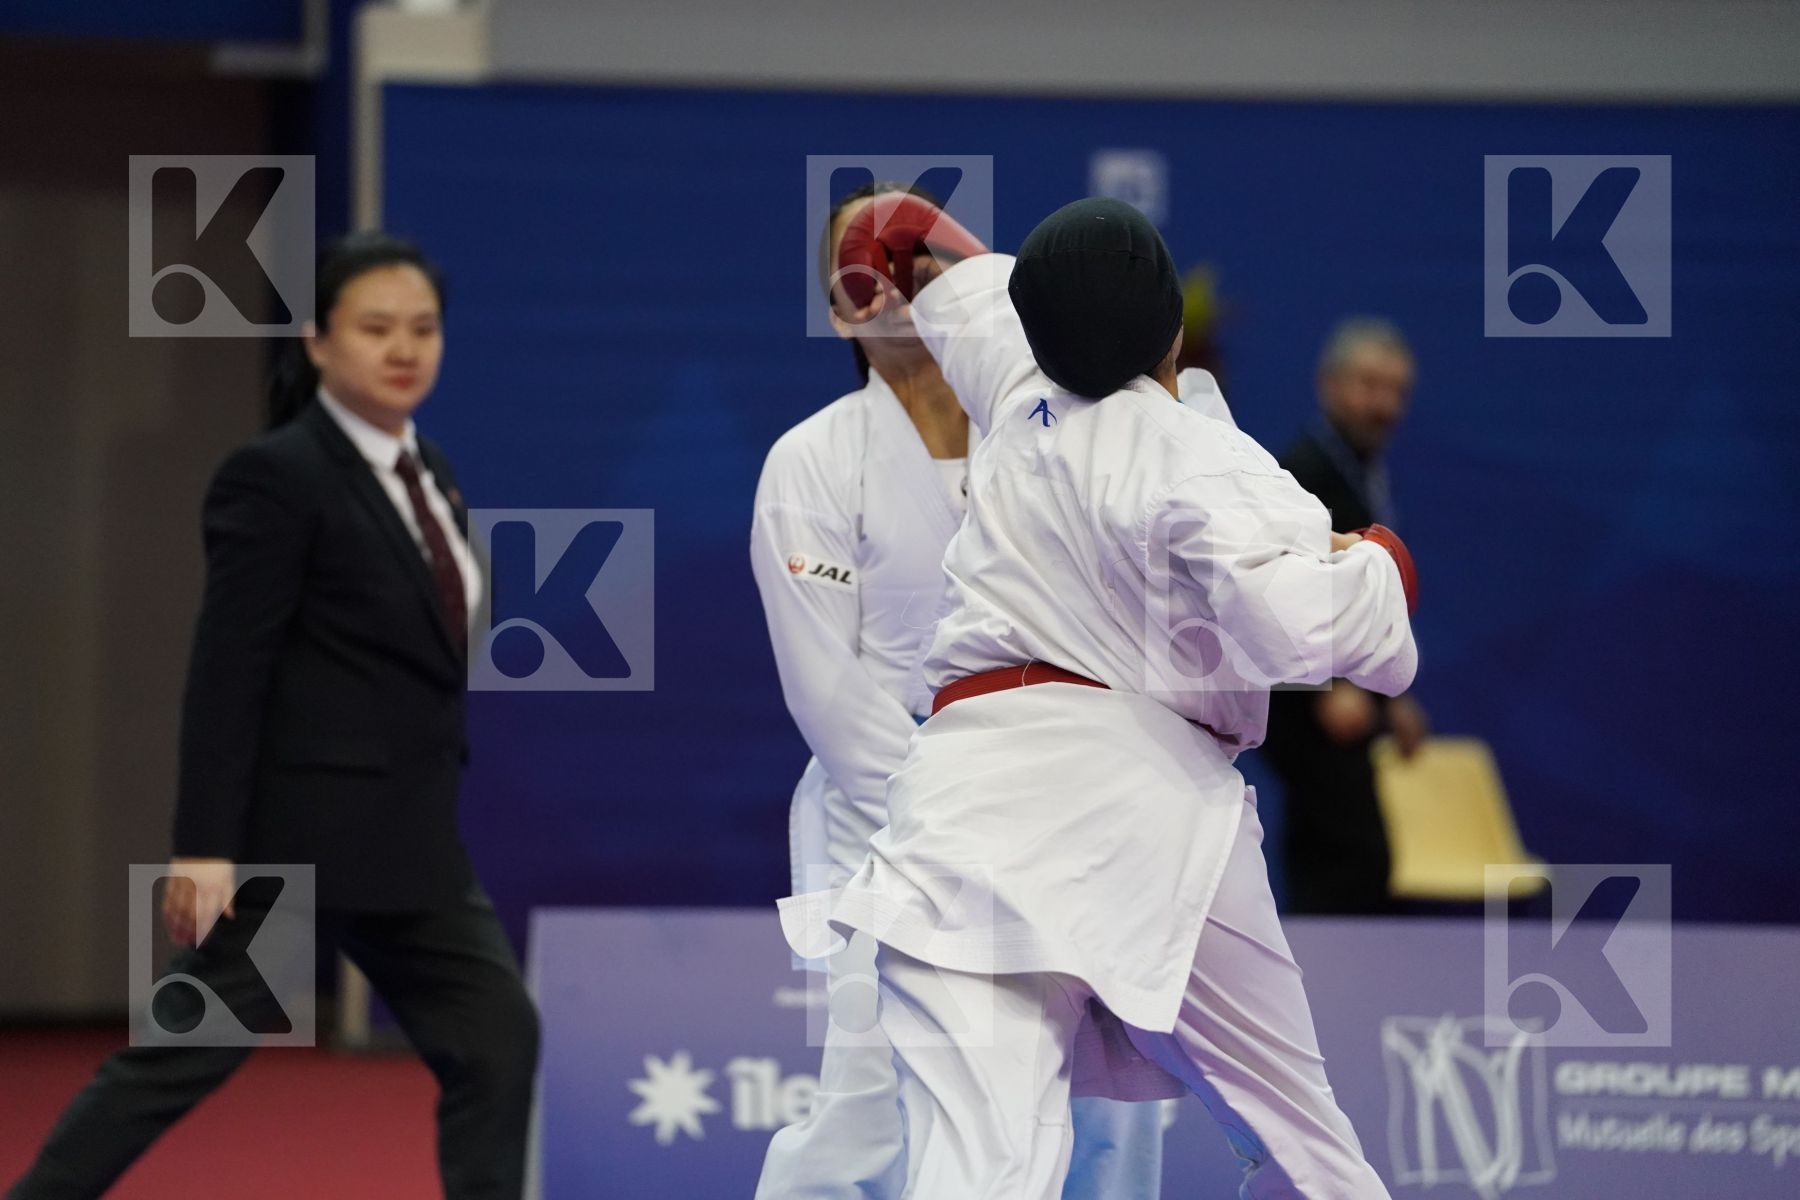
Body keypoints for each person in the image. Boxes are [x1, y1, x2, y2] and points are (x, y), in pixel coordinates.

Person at [781, 196, 1418, 1198]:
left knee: (974, 1171)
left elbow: (904, 240)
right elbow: (1310, 634)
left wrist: (883, 243)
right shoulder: (1211, 462)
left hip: (965, 815)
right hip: (1149, 817)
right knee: (1305, 1146)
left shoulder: (1010, 364)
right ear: (1173, 330)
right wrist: (1379, 562)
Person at [7, 233, 540, 1200]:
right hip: (294, 843)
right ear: (318, 341)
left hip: (412, 844)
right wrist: (204, 846)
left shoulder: (434, 474)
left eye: (422, 328)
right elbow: (227, 671)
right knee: (182, 1058)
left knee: (498, 1036)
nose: (403, 348)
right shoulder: (277, 476)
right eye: (375, 328)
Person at [750, 183, 1166, 1199]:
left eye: (923, 257)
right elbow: (828, 696)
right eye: (874, 268)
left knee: (1097, 1106)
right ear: (847, 313)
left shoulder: (1052, 435)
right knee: (871, 1106)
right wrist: (956, 811)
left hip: (1065, 816)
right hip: (889, 827)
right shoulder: (812, 461)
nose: (902, 278)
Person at [1260, 318, 1431, 915]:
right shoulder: (1302, 473)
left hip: (1349, 710)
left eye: (1396, 390)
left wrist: (1390, 698)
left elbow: (1360, 600)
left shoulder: (1359, 470)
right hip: (1312, 709)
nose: (1384, 404)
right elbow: (1280, 588)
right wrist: (1327, 687)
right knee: (1348, 860)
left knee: (1352, 856)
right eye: (1369, 385)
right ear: (1328, 384)